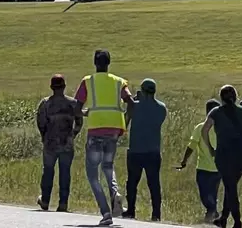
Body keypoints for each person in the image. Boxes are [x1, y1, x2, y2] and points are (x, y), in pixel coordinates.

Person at [75, 50, 137, 226]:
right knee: (108, 166)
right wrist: (125, 121)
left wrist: (88, 112)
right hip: (114, 130)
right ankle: (115, 192)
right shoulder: (119, 82)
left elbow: (76, 108)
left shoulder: (88, 81)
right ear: (109, 63)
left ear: (95, 63)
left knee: (93, 174)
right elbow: (131, 103)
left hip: (96, 129)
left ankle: (106, 212)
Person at [202, 85, 242, 228]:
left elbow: (205, 130)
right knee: (231, 186)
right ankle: (223, 218)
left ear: (221, 98)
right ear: (235, 97)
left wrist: (210, 148)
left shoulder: (215, 112)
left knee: (230, 187)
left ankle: (237, 221)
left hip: (224, 156)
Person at [36, 74, 83, 212]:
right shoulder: (73, 103)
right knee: (65, 173)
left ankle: (45, 200)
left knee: (48, 171)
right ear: (64, 87)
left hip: (50, 143)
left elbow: (41, 123)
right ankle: (63, 203)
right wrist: (72, 135)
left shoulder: (45, 103)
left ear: (51, 87)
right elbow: (79, 122)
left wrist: (44, 136)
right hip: (67, 143)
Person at [123, 79, 167, 221]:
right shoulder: (162, 108)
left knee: (132, 183)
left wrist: (134, 102)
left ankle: (130, 211)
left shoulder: (134, 107)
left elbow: (125, 122)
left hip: (136, 150)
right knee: (154, 184)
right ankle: (156, 214)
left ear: (142, 90)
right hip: (153, 151)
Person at [177, 99, 222, 222]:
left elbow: (191, 146)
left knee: (205, 194)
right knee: (212, 194)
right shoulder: (222, 129)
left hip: (204, 168)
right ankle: (213, 213)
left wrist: (184, 160)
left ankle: (212, 212)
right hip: (217, 168)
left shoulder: (201, 127)